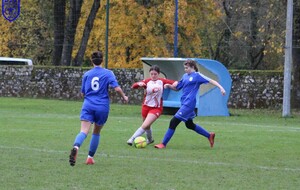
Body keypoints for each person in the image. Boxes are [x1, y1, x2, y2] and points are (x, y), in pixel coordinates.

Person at [69, 51, 128, 166]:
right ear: (102, 60)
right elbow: (116, 89)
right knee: (96, 131)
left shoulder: (87, 74)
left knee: (83, 131)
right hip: (102, 106)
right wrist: (124, 97)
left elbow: (82, 93)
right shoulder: (108, 73)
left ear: (92, 61)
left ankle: (76, 146)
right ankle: (90, 157)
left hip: (88, 105)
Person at [154, 60, 226, 149]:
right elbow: (177, 88)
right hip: (184, 103)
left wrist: (221, 88)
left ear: (192, 67)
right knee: (189, 125)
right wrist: (169, 86)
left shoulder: (198, 75)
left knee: (173, 122)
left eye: (187, 68)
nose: (185, 70)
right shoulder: (185, 76)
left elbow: (211, 81)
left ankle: (163, 144)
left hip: (189, 103)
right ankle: (209, 135)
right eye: (184, 68)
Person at [127, 65, 176, 146]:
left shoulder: (162, 81)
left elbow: (175, 83)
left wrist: (171, 85)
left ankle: (132, 139)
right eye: (151, 74)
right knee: (147, 126)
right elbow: (134, 86)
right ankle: (150, 140)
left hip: (156, 108)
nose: (153, 76)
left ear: (159, 74)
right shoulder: (147, 81)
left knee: (145, 125)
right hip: (145, 106)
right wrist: (140, 84)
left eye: (155, 74)